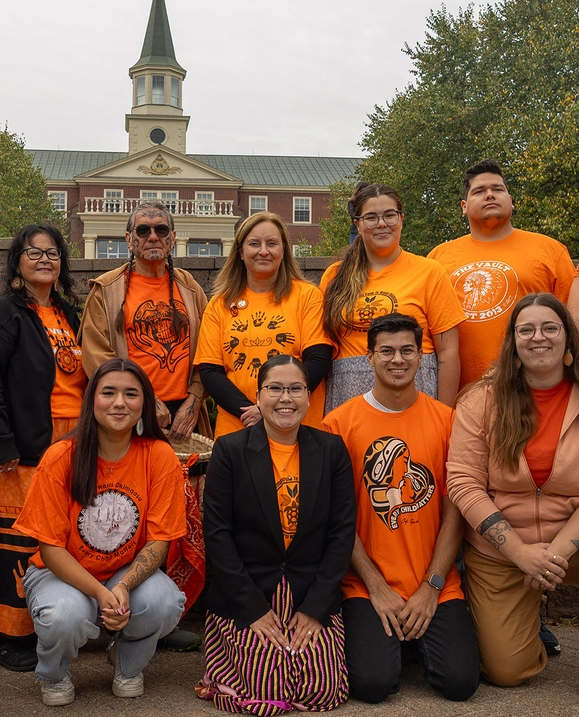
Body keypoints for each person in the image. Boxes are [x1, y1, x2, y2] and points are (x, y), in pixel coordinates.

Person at [322, 314, 480, 704]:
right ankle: (397, 642)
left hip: (435, 585)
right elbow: (337, 519)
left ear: (422, 356)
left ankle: (412, 638)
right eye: (387, 351)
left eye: (407, 350)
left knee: (460, 684)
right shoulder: (338, 425)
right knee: (373, 686)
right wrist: (376, 588)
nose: (398, 359)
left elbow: (453, 513)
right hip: (365, 585)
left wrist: (432, 587)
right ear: (370, 357)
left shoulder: (447, 422)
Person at [14, 358, 187, 706]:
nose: (120, 403)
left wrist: (122, 586)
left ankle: (127, 664)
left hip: (122, 572)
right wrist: (99, 592)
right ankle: (54, 673)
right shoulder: (61, 456)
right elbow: (50, 549)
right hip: (57, 573)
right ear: (91, 399)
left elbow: (159, 542)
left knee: (165, 602)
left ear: (145, 404)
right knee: (64, 614)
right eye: (108, 392)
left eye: (131, 394)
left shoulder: (160, 455)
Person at [197, 355, 356, 713]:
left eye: (296, 388)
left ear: (309, 396)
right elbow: (218, 534)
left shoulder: (331, 450)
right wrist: (252, 609)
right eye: (275, 388)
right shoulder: (230, 451)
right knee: (264, 683)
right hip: (248, 590)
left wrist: (316, 609)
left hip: (308, 590)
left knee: (321, 688)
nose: (286, 398)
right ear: (258, 396)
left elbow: (342, 532)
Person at [447, 293, 579, 687]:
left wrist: (553, 555)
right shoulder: (480, 401)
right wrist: (521, 553)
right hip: (503, 550)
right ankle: (520, 620)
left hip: (571, 541)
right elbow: (464, 482)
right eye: (526, 329)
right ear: (513, 342)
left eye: (550, 327)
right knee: (506, 671)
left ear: (568, 339)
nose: (539, 337)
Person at [0, 224, 85, 672]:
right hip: (28, 441)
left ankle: (60, 623)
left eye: (52, 253)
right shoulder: (7, 313)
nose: (44, 260)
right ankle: (14, 635)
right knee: (21, 539)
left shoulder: (72, 314)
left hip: (74, 439)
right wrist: (3, 441)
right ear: (17, 263)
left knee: (63, 534)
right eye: (33, 252)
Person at [428, 159, 575, 390]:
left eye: (498, 189)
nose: (490, 195)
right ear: (464, 206)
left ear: (511, 201)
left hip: (532, 390)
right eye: (479, 191)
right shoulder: (438, 257)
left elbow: (570, 322)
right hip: (461, 394)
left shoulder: (550, 250)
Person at [320, 183, 465, 412]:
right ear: (357, 224)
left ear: (401, 219)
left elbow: (448, 351)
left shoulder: (429, 272)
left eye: (389, 215)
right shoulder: (335, 276)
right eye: (371, 217)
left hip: (413, 386)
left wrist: (445, 414)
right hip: (347, 392)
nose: (381, 224)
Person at [79, 200, 211, 441]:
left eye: (161, 230)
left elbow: (210, 347)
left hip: (184, 414)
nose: (153, 237)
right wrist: (145, 401)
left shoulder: (190, 288)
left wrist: (195, 399)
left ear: (172, 238)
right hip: (129, 413)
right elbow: (96, 356)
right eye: (143, 230)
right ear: (129, 239)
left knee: (188, 479)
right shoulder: (107, 290)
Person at [195, 212, 332, 439]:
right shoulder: (220, 304)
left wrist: (271, 408)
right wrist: (253, 413)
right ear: (240, 251)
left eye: (272, 243)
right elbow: (211, 371)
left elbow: (318, 360)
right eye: (254, 244)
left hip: (297, 427)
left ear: (284, 250)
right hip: (238, 427)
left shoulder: (308, 296)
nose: (263, 251)